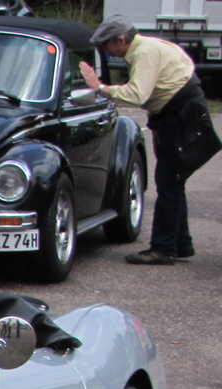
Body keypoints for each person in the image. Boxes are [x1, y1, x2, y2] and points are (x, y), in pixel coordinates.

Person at [81, 15, 206, 265]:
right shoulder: (148, 47)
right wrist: (158, 124)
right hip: (177, 111)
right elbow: (159, 90)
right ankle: (180, 243)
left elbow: (137, 94)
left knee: (168, 180)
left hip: (180, 112)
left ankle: (163, 248)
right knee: (174, 178)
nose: (107, 51)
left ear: (121, 39)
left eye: (107, 45)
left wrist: (100, 88)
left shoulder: (144, 53)